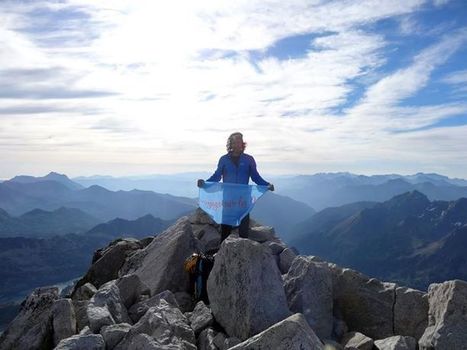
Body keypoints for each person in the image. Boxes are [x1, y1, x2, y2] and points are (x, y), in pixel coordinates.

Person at [197, 132, 274, 242]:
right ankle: (223, 252)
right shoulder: (223, 159)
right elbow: (217, 176)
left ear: (243, 144)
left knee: (243, 228)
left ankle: (243, 251)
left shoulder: (249, 159)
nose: (238, 144)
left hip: (244, 199)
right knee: (225, 229)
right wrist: (204, 183)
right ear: (231, 144)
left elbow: (255, 177)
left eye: (240, 141)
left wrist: (267, 185)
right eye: (235, 141)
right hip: (228, 199)